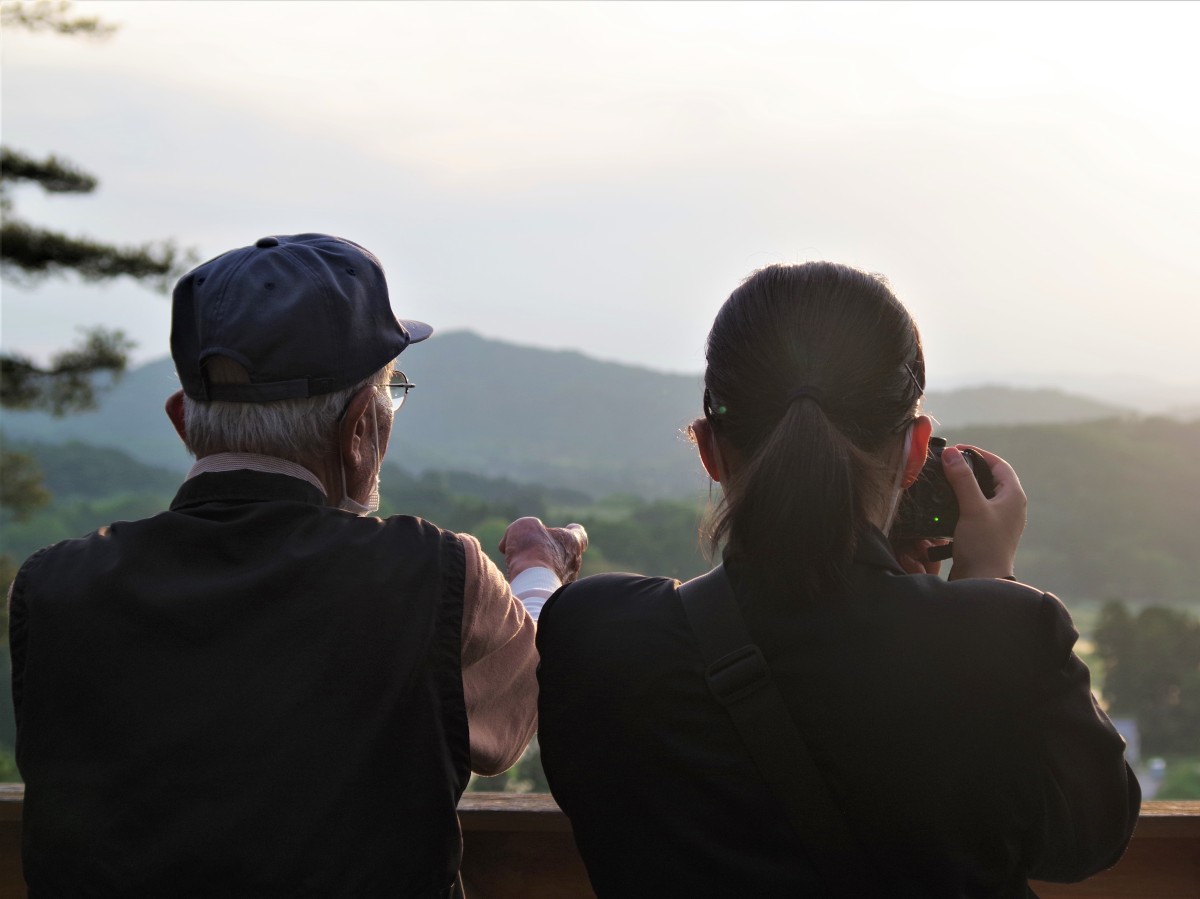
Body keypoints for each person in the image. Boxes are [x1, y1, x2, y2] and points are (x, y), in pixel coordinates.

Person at [8, 233, 587, 897]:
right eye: (389, 395)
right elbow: (517, 702)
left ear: (180, 420)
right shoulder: (433, 575)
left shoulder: (54, 588)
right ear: (360, 431)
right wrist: (539, 571)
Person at [536, 262, 1139, 898]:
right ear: (915, 451)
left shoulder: (594, 633)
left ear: (710, 448)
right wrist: (985, 591)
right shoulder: (1006, 633)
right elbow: (1086, 841)